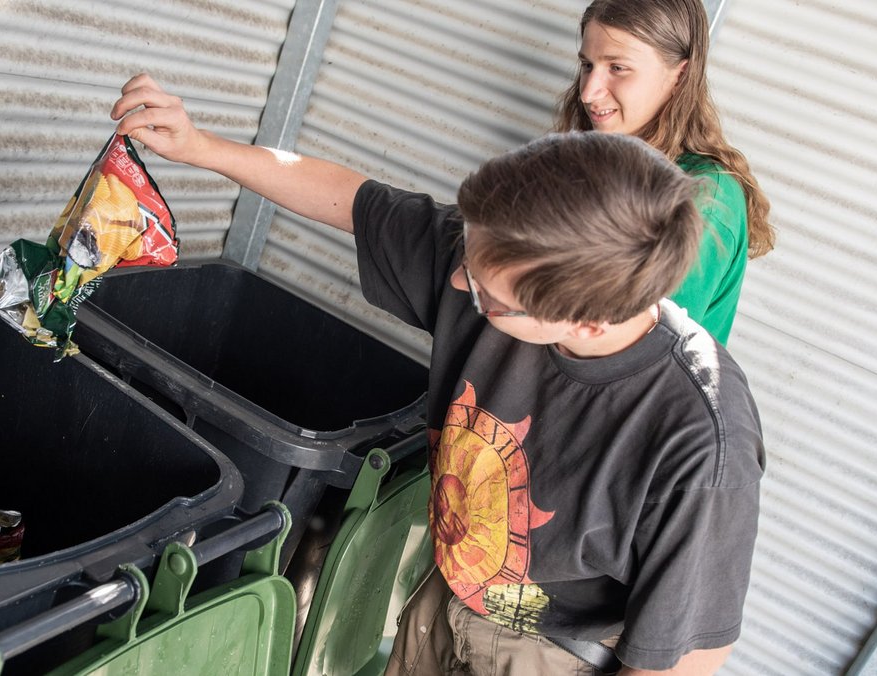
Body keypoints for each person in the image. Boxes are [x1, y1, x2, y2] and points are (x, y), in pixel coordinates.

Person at [111, 74, 764, 675]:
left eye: (487, 295)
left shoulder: (703, 440)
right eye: (467, 257)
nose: (456, 284)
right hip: (448, 598)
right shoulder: (501, 255)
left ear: (587, 321)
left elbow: (687, 658)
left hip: (554, 654)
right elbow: (349, 199)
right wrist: (201, 147)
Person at [555, 0, 775, 345]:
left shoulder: (704, 198)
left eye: (617, 67)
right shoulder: (596, 159)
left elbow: (628, 348)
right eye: (587, 64)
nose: (588, 92)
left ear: (680, 75)